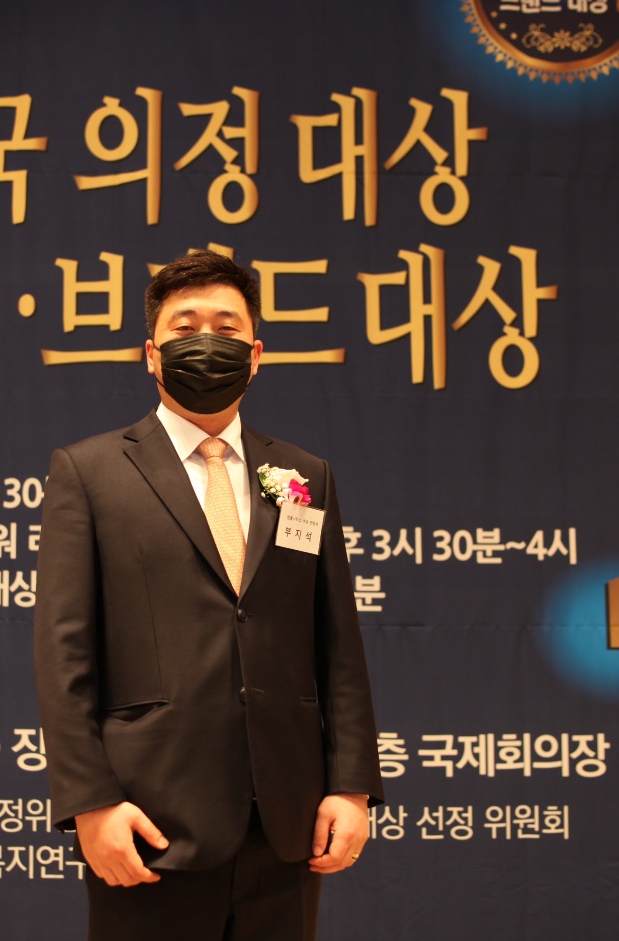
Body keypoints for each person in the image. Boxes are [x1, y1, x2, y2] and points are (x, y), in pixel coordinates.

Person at [34, 251, 383, 941]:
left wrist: (350, 784)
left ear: (255, 355)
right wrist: (90, 803)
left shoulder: (303, 475)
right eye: (184, 326)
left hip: (285, 821)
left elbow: (336, 642)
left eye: (226, 328)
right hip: (148, 820)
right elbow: (63, 652)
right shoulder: (89, 471)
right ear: (151, 354)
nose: (206, 341)